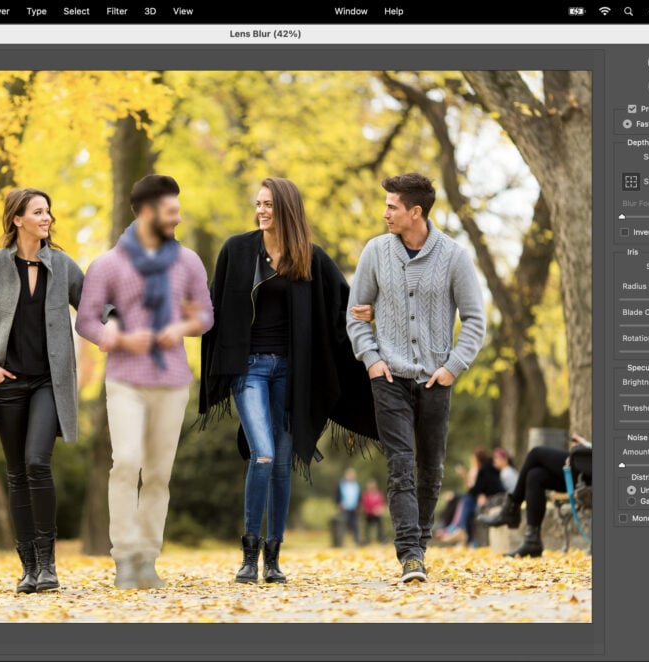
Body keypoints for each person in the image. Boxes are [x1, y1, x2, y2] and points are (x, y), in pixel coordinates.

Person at [198, 177, 379, 585]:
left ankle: (273, 558)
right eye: (258, 203)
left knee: (281, 463)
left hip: (291, 374)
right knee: (262, 453)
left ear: (286, 210)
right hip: (249, 370)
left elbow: (344, 305)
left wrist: (369, 314)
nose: (260, 211)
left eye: (268, 205)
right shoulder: (237, 250)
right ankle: (248, 554)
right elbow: (212, 305)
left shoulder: (310, 259)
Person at [75, 175, 214, 590]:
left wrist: (182, 326)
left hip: (172, 380)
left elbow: (205, 315)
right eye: (172, 211)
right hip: (125, 381)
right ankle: (125, 556)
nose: (178, 218)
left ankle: (148, 557)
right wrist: (111, 336)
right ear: (149, 213)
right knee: (127, 460)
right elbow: (86, 319)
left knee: (157, 473)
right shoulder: (108, 265)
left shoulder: (187, 261)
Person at [347, 173, 486, 583]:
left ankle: (420, 545)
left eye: (392, 206)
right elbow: (356, 315)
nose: (385, 212)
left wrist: (452, 367)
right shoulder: (374, 252)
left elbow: (475, 321)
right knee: (401, 466)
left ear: (415, 212)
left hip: (434, 382)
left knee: (431, 471)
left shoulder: (454, 257)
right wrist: (371, 359)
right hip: (388, 378)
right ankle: (409, 553)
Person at [0, 188, 86, 594]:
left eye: (48, 211)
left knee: (37, 462)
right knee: (16, 475)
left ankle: (48, 564)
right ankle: (29, 568)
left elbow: (94, 306)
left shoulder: (63, 265)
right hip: (7, 383)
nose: (47, 217)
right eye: (38, 212)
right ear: (18, 220)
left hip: (50, 382)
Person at [479, 434, 593, 557]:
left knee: (536, 453)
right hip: (586, 464)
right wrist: (585, 444)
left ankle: (511, 508)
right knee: (535, 476)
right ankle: (532, 542)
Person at [442, 447, 504, 545]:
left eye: (473, 459)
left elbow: (476, 490)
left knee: (466, 500)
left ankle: (461, 530)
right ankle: (462, 531)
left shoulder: (484, 471)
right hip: (485, 498)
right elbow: (476, 490)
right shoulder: (485, 470)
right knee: (465, 500)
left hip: (491, 499)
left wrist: (465, 477)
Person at [335, 468, 362, 546]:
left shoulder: (356, 484)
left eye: (352, 475)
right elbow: (337, 495)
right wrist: (339, 504)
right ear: (346, 475)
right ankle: (340, 542)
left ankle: (357, 541)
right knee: (342, 526)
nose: (351, 476)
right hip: (344, 508)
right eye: (349, 475)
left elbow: (359, 496)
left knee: (355, 525)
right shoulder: (341, 484)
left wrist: (359, 505)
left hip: (354, 508)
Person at [361, 479, 387, 544]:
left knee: (380, 524)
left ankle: (381, 538)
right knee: (367, 526)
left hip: (376, 515)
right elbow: (363, 505)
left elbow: (382, 505)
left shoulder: (379, 494)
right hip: (368, 514)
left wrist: (379, 510)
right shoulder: (365, 495)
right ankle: (366, 539)